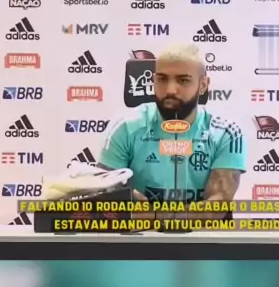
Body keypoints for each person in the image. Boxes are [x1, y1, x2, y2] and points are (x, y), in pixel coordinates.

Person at [98, 42, 246, 208]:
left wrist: (152, 214)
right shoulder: (125, 127)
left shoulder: (225, 132)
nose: (170, 90)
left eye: (183, 80)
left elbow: (216, 207)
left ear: (203, 85)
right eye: (162, 79)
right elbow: (106, 197)